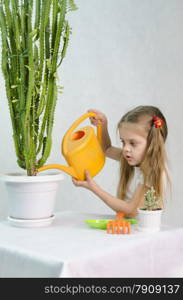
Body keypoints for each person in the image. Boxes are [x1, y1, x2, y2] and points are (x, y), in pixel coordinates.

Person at [72, 106, 170, 217]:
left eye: (132, 143)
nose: (125, 148)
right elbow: (106, 149)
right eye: (123, 142)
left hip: (142, 232)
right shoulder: (132, 157)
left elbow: (131, 211)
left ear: (153, 144)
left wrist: (93, 187)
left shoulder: (153, 172)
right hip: (129, 228)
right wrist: (103, 124)